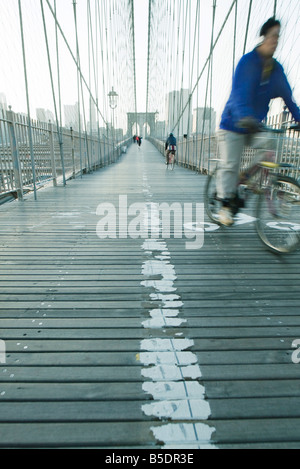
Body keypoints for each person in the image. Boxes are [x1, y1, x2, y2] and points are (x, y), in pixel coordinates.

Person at [217, 17, 300, 226]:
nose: (275, 40)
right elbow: (239, 95)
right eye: (272, 36)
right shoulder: (247, 62)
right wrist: (245, 116)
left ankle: (249, 176)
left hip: (254, 126)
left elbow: (289, 99)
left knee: (269, 144)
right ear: (264, 37)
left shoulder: (277, 71)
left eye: (278, 37)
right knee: (230, 165)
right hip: (233, 123)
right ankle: (226, 206)